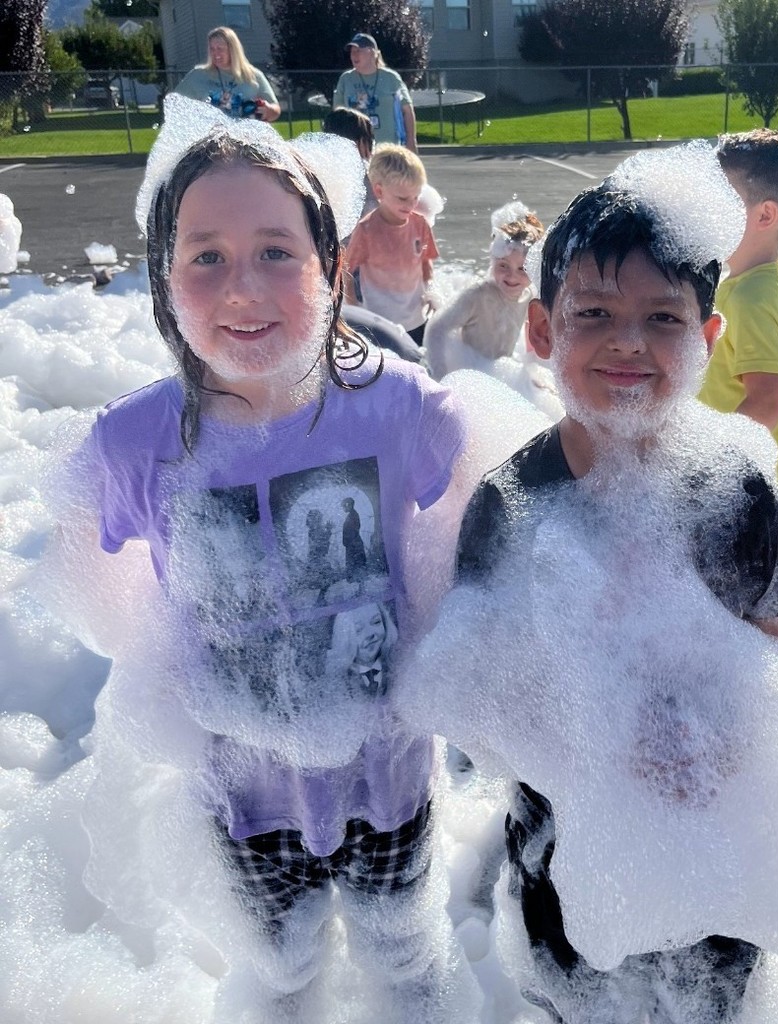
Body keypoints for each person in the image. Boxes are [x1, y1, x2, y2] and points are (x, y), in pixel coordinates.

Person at [53, 100, 476, 1022]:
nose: (242, 285)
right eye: (206, 255)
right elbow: (89, 583)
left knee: (405, 955)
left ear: (331, 266)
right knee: (281, 976)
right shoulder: (132, 444)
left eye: (277, 251)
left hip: (389, 774)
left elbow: (481, 524)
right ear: (163, 280)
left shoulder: (401, 407)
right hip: (241, 795)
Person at [454, 150, 778, 1023]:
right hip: (562, 859)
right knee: (570, 999)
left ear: (706, 341)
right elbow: (479, 695)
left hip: (713, 860)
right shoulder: (507, 506)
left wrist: (728, 756)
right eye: (594, 312)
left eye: (664, 316)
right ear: (542, 332)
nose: (628, 340)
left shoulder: (736, 499)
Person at [697, 129, 778, 504]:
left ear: (765, 214)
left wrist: (705, 466)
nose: (705, 211)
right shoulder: (768, 279)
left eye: (720, 202)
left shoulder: (750, 296)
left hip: (750, 491)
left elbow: (767, 399)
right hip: (766, 476)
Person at [424, 201, 544, 378]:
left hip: (499, 374)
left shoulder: (529, 296)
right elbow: (437, 329)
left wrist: (532, 366)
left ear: (534, 269)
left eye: (522, 269)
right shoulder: (478, 295)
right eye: (503, 265)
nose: (512, 277)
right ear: (493, 258)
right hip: (470, 374)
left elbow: (533, 332)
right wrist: (440, 375)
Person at [344, 143, 439, 346]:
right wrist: (354, 311)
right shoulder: (367, 230)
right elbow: (348, 272)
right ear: (379, 191)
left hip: (416, 318)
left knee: (418, 364)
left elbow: (426, 262)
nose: (411, 204)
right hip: (380, 322)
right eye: (403, 198)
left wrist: (431, 290)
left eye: (416, 197)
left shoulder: (420, 224)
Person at [173, 26, 280, 122]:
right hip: (210, 139)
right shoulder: (198, 75)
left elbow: (275, 109)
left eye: (220, 49)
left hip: (247, 138)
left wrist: (269, 110)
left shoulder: (254, 76)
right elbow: (173, 104)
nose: (216, 54)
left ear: (233, 50)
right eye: (212, 49)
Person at [333, 32, 417, 151]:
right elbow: (337, 113)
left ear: (372, 52)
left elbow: (407, 110)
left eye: (358, 51)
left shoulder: (391, 78)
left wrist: (411, 141)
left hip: (388, 149)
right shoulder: (346, 79)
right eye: (352, 52)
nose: (354, 55)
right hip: (356, 151)